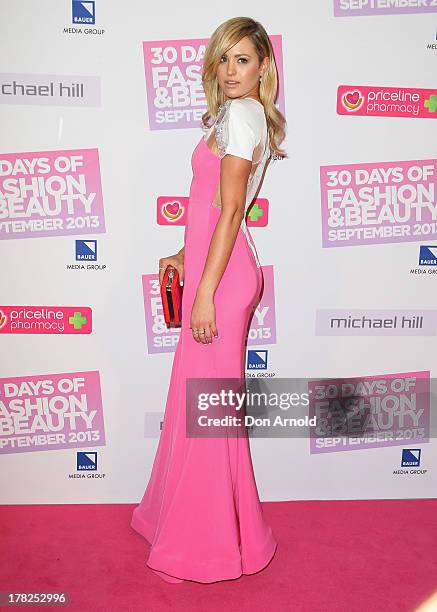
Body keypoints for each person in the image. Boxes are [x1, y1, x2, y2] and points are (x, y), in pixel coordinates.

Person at [131, 16, 287, 584]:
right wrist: (182, 253)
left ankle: (212, 545)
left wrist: (203, 293)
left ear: (264, 66)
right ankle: (209, 529)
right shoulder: (233, 116)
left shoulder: (243, 117)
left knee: (210, 414)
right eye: (223, 59)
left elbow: (228, 213)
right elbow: (210, 209)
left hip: (221, 283)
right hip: (211, 270)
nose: (229, 70)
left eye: (242, 60)